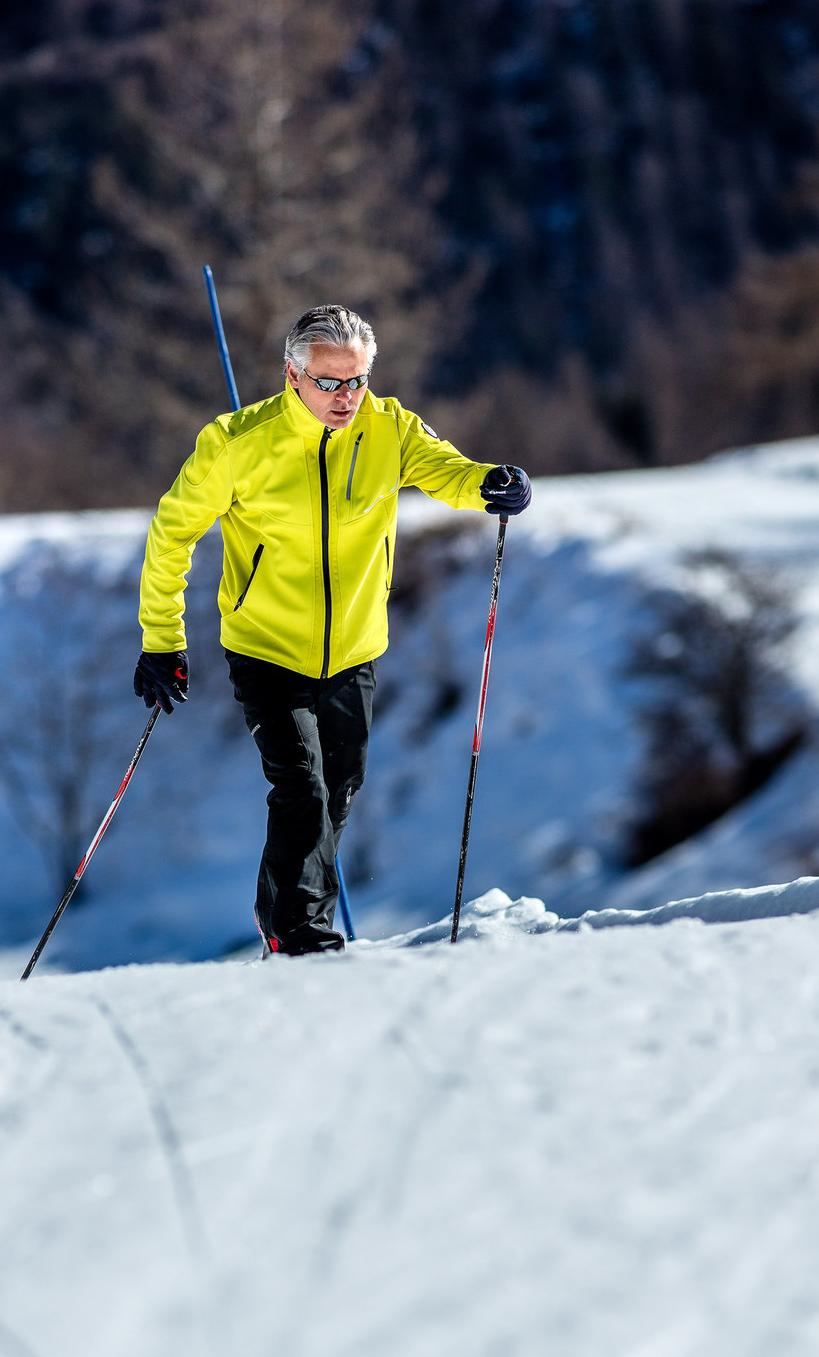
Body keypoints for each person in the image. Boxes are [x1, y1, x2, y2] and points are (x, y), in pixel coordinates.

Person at [133, 303, 531, 956]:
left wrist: (493, 484)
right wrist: (161, 637)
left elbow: (446, 470)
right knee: (302, 788)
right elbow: (171, 532)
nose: (346, 397)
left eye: (357, 381)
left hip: (355, 648)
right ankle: (299, 932)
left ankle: (277, 910)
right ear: (293, 376)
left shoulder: (389, 428)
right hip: (266, 646)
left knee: (339, 788)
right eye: (329, 382)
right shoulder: (237, 443)